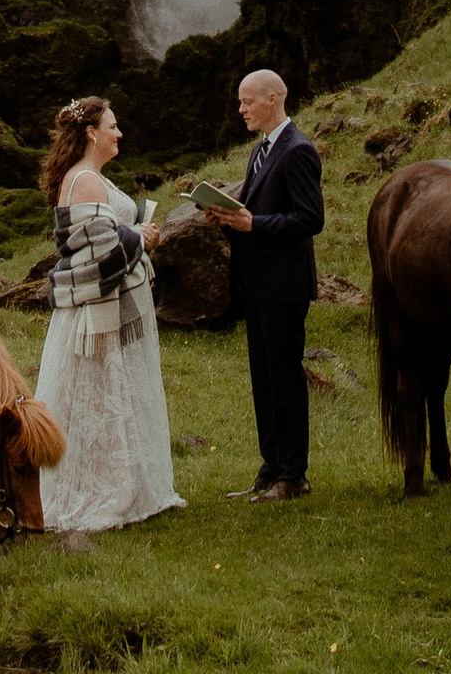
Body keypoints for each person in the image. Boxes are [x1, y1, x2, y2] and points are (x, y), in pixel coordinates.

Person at [32, 95, 184, 531]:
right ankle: (101, 489)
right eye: (112, 126)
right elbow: (99, 252)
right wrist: (141, 235)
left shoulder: (91, 177)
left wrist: (134, 232)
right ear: (90, 134)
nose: (119, 133)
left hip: (108, 309)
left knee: (106, 397)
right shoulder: (86, 181)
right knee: (99, 396)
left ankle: (121, 482)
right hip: (96, 316)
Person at [202, 67, 323, 501]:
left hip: (285, 286)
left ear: (273, 99)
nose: (240, 109)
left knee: (285, 379)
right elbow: (255, 218)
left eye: (246, 101)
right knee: (264, 380)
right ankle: (271, 468)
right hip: (257, 285)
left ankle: (294, 475)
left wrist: (253, 223)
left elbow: (311, 219)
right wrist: (228, 221)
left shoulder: (298, 150)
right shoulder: (260, 151)